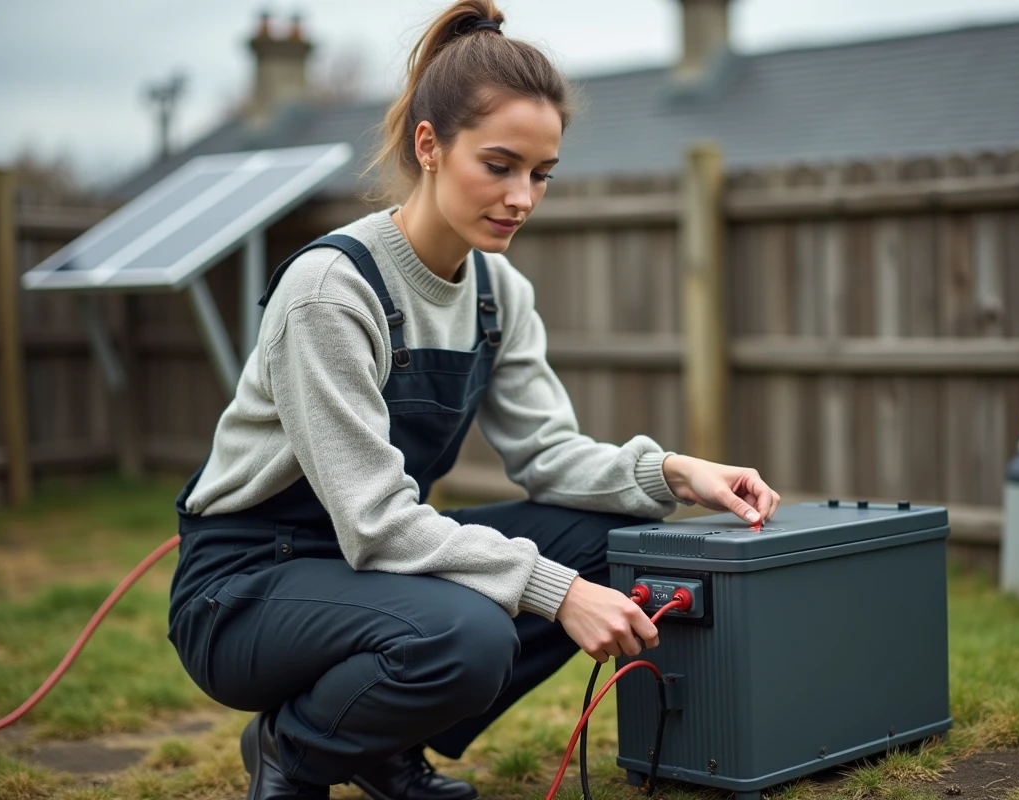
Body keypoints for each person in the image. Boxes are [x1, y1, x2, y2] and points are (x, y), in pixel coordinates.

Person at [166, 2, 780, 798]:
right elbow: (377, 520)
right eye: (499, 165)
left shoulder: (497, 293)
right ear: (430, 145)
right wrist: (557, 594)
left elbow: (548, 455)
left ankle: (384, 743)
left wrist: (673, 472)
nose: (522, 196)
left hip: (369, 568)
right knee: (471, 634)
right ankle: (298, 751)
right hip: (246, 588)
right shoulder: (332, 292)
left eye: (540, 174)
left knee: (609, 538)